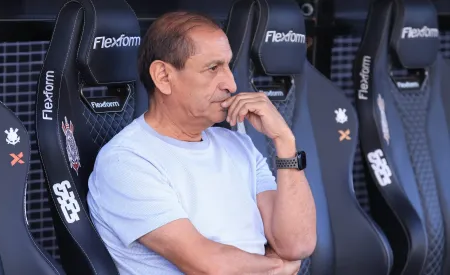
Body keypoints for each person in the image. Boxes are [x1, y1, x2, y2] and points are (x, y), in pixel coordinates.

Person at [87, 11, 317, 275]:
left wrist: (284, 141)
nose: (231, 84)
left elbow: (297, 244)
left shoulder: (238, 145)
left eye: (228, 67)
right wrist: (281, 266)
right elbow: (210, 266)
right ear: (163, 76)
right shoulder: (127, 161)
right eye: (213, 68)